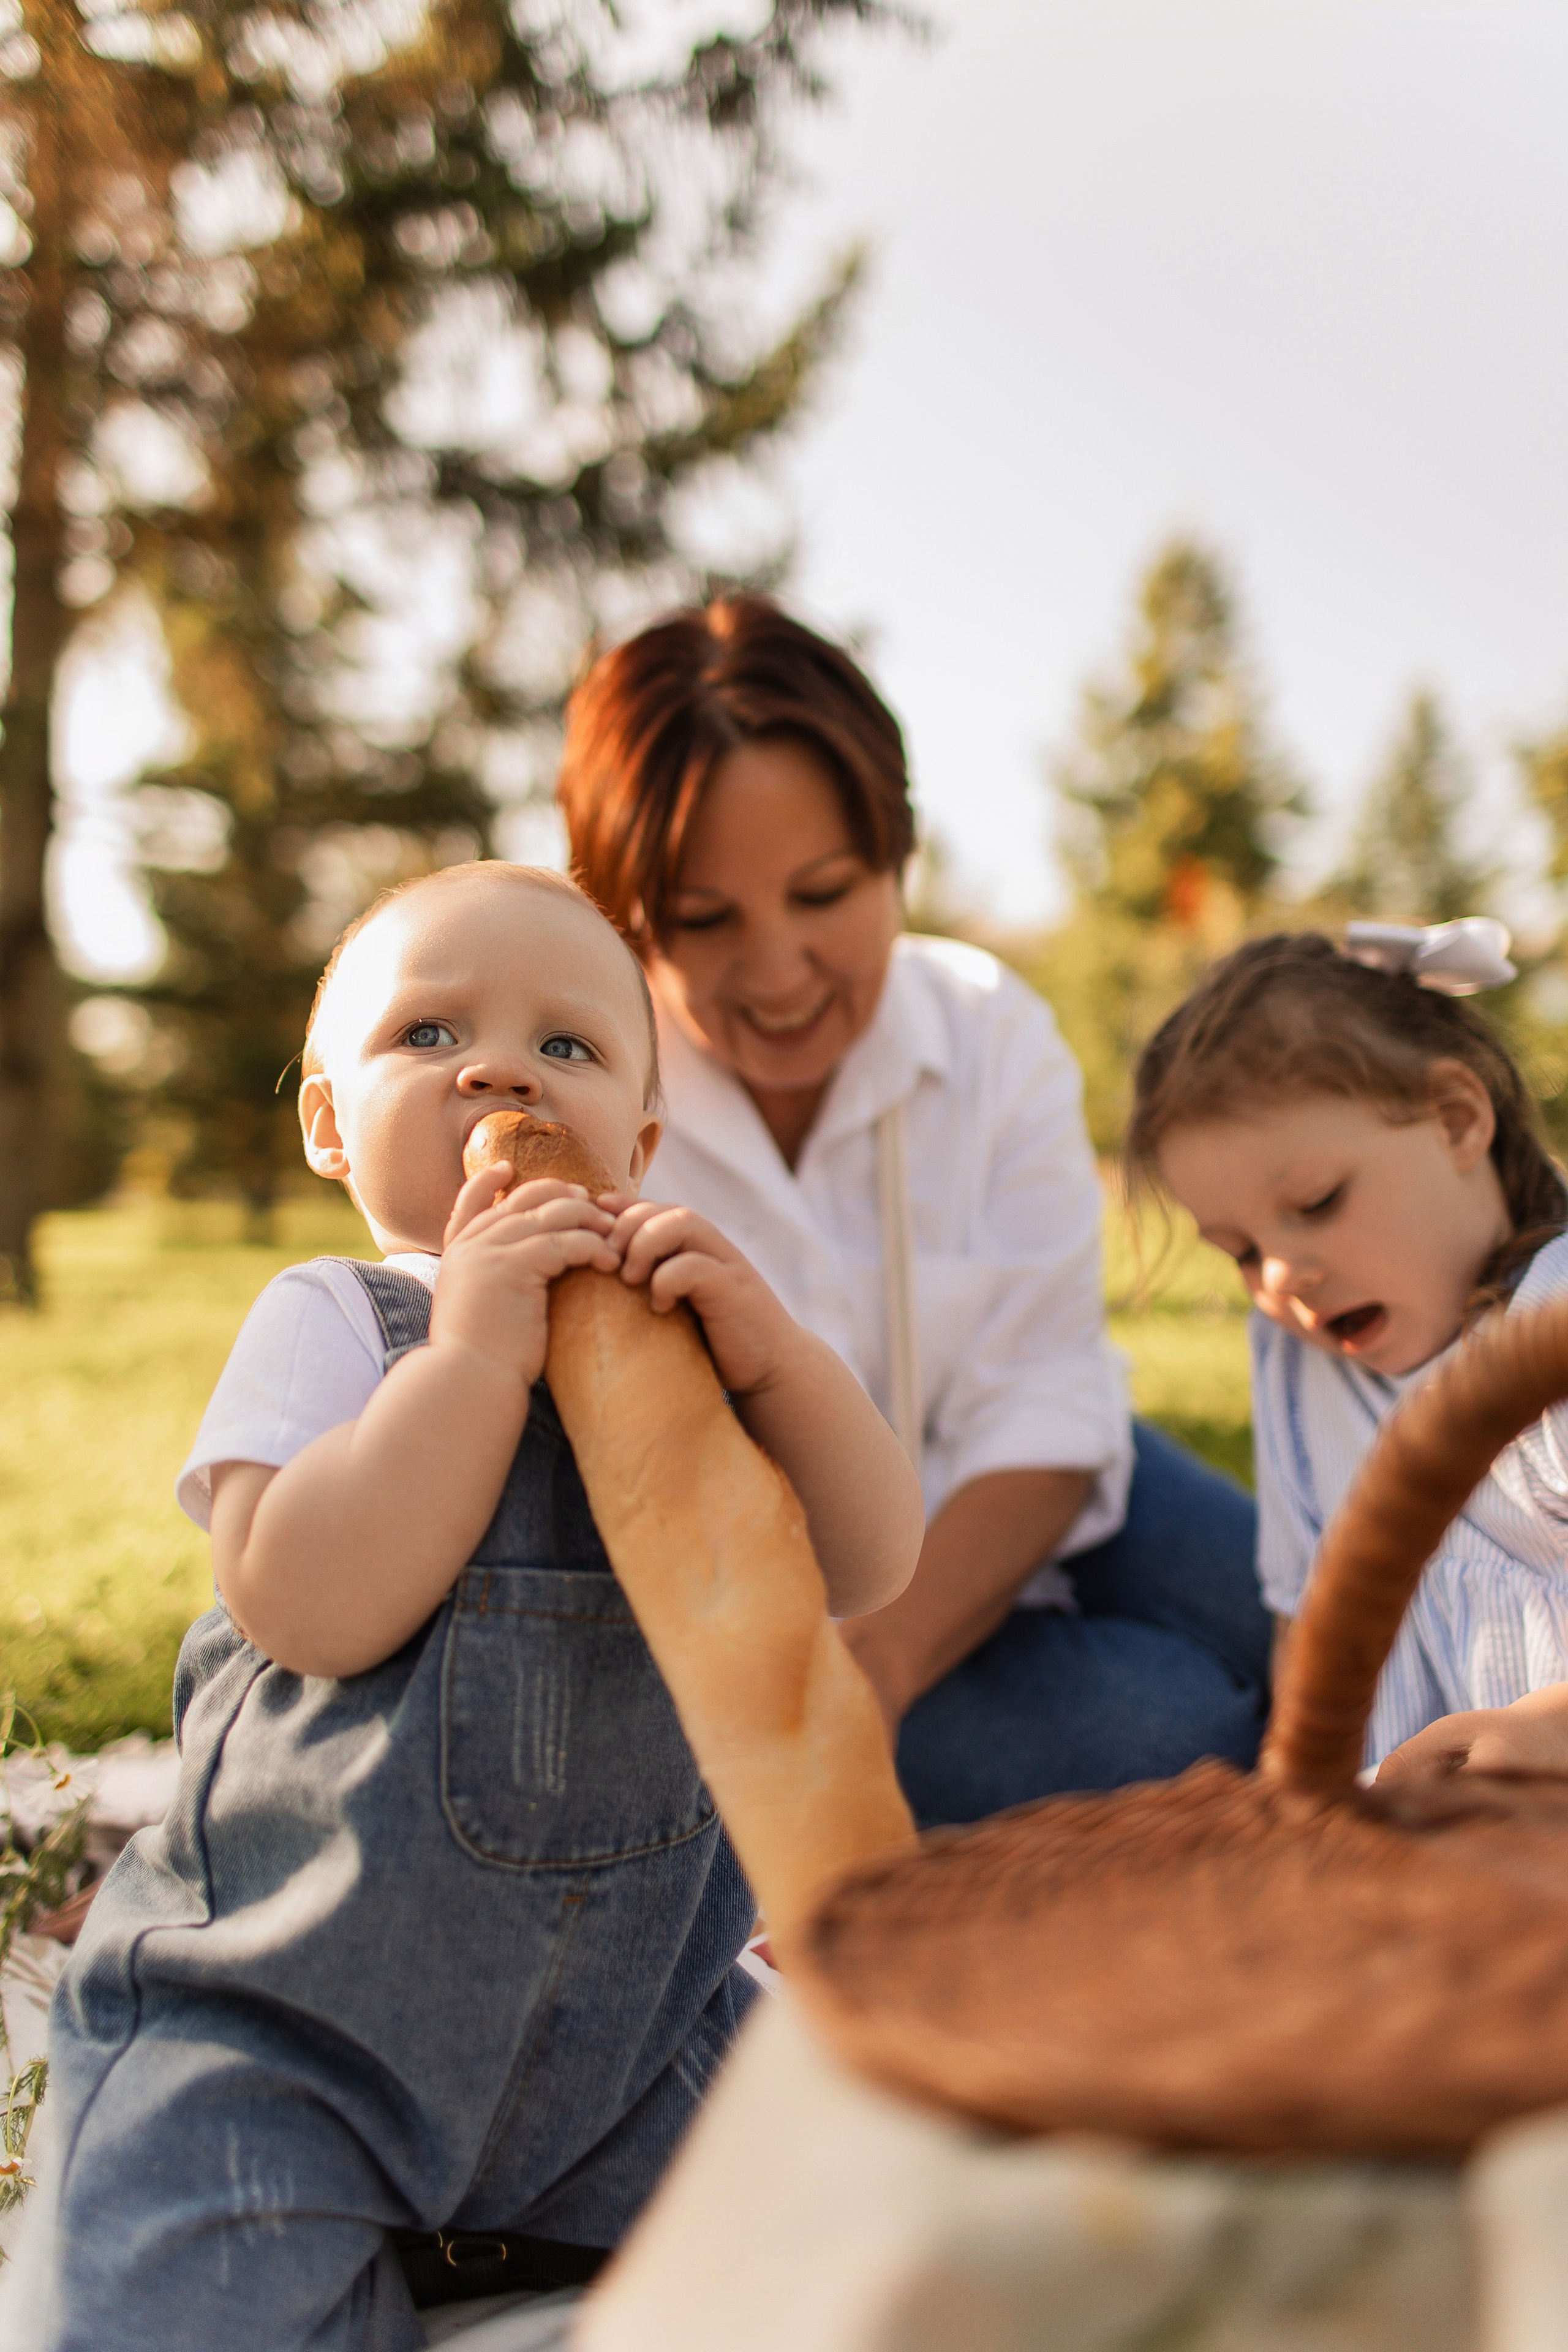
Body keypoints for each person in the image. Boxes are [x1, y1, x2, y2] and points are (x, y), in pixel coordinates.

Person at [38, 861, 920, 2352]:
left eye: (566, 1047)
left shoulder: (686, 1346)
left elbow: (867, 1559)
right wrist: (466, 1365)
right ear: (328, 1121)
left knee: (868, 2265)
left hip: (625, 2051)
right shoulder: (338, 1322)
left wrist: (775, 1362)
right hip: (294, 2032)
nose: (501, 1069)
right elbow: (305, 1601)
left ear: (637, 1141)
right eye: (429, 1036)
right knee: (172, 2298)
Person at [557, 594, 1272, 1828]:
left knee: (1316, 1619)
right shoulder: (591, 1106)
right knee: (1183, 1725)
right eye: (703, 921)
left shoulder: (987, 1031)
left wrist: (886, 1666)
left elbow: (1047, 1407)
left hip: (1020, 1484)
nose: (778, 972)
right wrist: (834, 1678)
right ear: (626, 921)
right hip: (784, 1603)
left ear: (896, 857)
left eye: (824, 893)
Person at [1125, 920, 1568, 1787]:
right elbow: (1307, 1625)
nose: (1282, 1275)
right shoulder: (1300, 1371)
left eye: (1319, 1201)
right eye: (1241, 1251)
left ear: (1456, 1119)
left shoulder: (1552, 1323)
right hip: (1411, 1853)